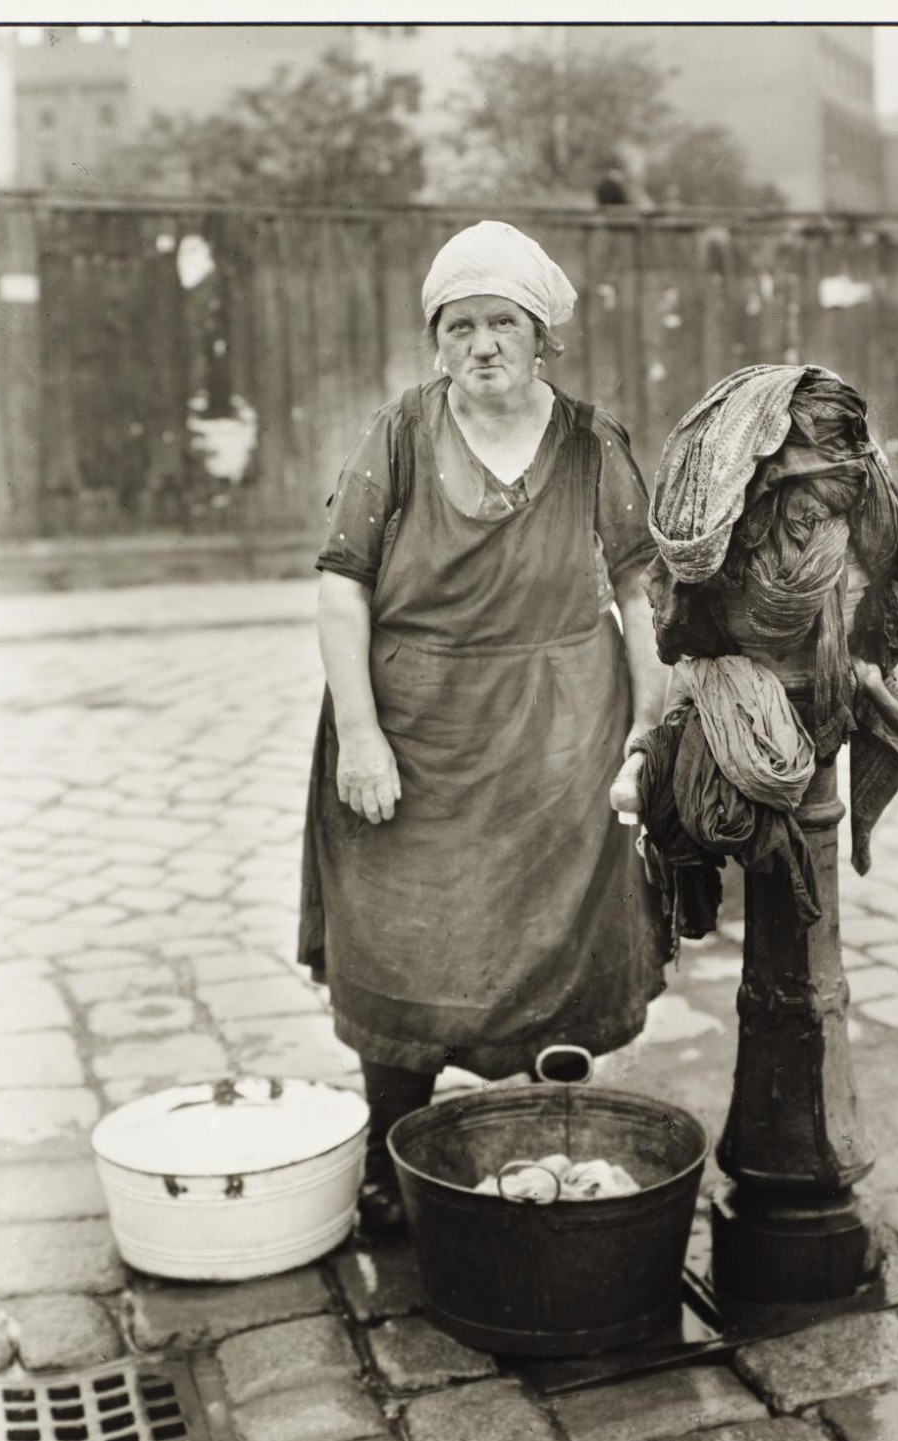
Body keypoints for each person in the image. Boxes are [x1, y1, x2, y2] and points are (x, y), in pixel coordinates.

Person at [299, 220, 671, 1231]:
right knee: (400, 936)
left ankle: (555, 1127)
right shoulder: (399, 435)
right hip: (415, 737)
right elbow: (342, 587)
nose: (482, 345)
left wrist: (649, 730)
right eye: (459, 325)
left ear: (541, 334)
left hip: (560, 740)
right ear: (437, 339)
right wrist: (364, 737)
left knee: (561, 930)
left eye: (502, 322)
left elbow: (643, 586)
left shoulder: (593, 443)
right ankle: (390, 1158)